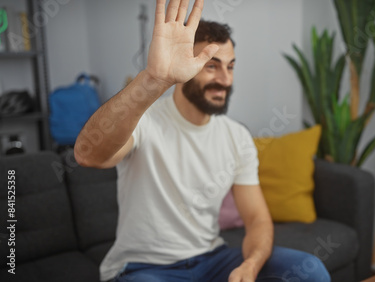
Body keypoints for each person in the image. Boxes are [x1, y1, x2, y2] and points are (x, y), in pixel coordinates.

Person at [74, 0, 331, 281]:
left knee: (311, 272)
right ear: (184, 64)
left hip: (213, 259)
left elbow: (257, 219)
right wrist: (153, 80)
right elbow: (88, 155)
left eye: (230, 67)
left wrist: (251, 265)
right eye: (211, 66)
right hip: (145, 268)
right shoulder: (144, 121)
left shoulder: (236, 136)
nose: (225, 80)